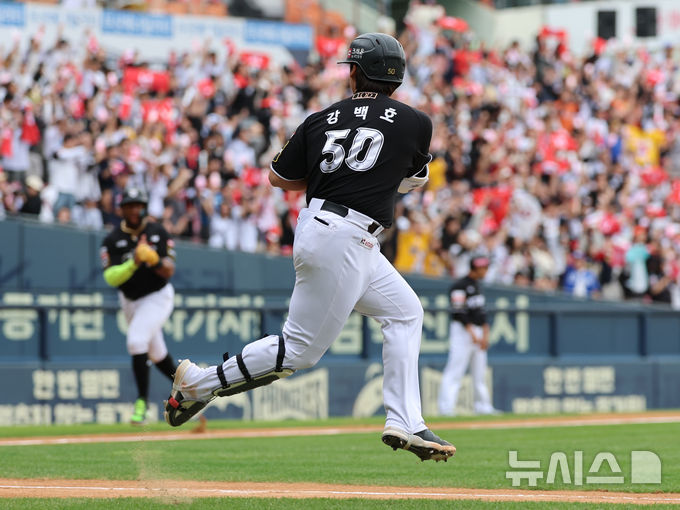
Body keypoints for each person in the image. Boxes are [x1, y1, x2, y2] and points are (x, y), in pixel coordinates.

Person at [164, 33, 456, 463]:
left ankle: (405, 420)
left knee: (405, 312)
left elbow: (278, 178)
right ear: (398, 76)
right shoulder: (416, 122)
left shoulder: (321, 118)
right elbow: (412, 179)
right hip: (347, 235)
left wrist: (329, 177)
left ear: (355, 71)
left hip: (332, 228)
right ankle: (198, 383)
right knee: (298, 350)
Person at [100, 187, 178, 425]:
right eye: (129, 205)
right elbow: (110, 277)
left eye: (138, 205)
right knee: (156, 354)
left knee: (136, 340)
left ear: (144, 207)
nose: (134, 210)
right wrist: (134, 263)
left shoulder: (157, 231)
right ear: (121, 209)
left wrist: (153, 259)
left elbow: (169, 269)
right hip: (130, 300)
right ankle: (192, 389)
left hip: (157, 296)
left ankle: (141, 403)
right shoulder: (113, 239)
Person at [438, 255, 498, 416]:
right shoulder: (459, 286)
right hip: (462, 331)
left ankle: (483, 406)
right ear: (475, 268)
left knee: (480, 372)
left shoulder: (477, 286)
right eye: (483, 268)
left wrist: (485, 334)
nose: (486, 271)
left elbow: (482, 313)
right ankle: (446, 407)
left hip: (477, 330)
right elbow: (459, 312)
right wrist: (473, 333)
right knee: (455, 369)